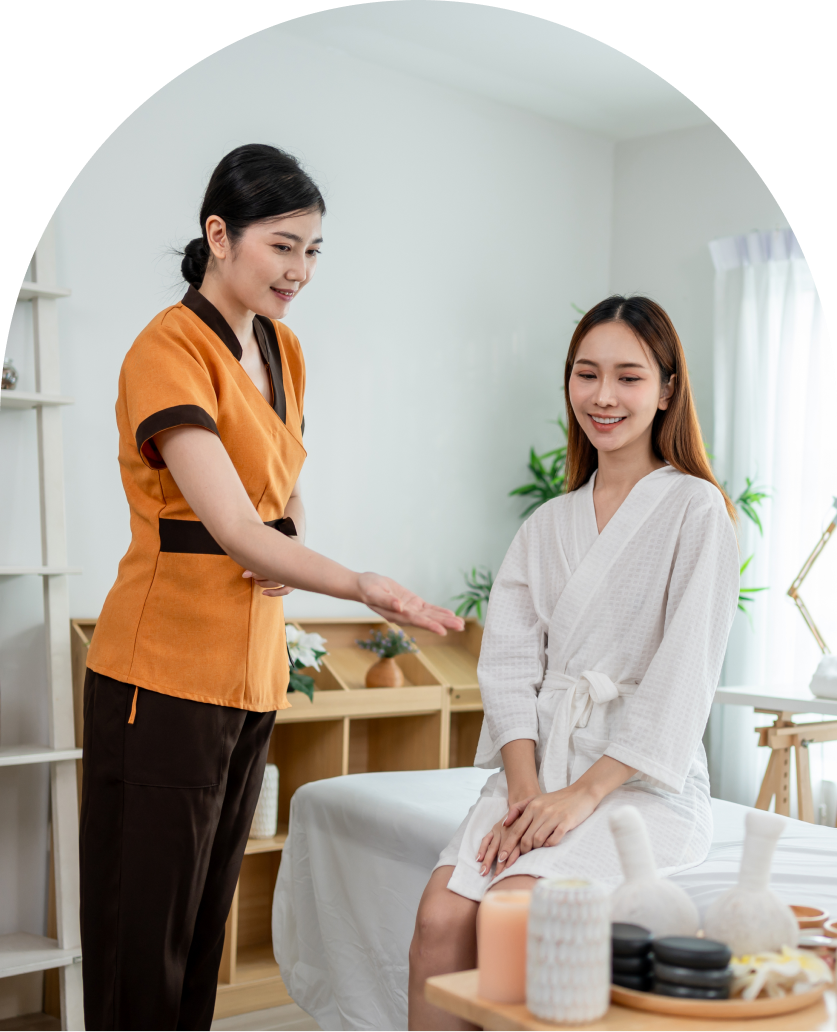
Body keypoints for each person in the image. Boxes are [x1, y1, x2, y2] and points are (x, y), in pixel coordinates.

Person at [80, 143, 462, 1032]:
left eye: (314, 250)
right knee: (147, 937)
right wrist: (364, 584)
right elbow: (234, 527)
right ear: (219, 235)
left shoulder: (283, 350)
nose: (299, 270)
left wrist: (278, 538)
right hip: (160, 673)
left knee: (202, 930)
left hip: (249, 672)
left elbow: (280, 498)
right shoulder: (165, 349)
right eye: (283, 245)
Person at [408, 295, 740, 1032]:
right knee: (438, 919)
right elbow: (506, 666)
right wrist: (526, 793)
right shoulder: (544, 524)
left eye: (627, 377)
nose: (603, 396)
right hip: (539, 770)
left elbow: (683, 676)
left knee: (514, 906)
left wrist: (581, 798)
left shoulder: (696, 511)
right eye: (585, 374)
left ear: (666, 390)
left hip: (635, 781)